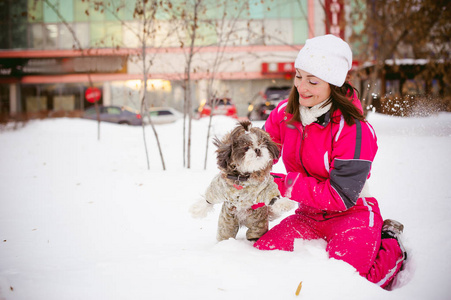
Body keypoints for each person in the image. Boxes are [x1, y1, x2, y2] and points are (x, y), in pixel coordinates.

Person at [253, 34, 407, 289]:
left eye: (312, 81)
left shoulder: (354, 130)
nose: (302, 87)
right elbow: (261, 155)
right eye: (299, 76)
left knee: (355, 283)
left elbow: (340, 196)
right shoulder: (284, 114)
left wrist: (283, 185)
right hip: (308, 214)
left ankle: (392, 243)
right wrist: (242, 176)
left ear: (334, 84)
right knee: (261, 257)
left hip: (352, 213)